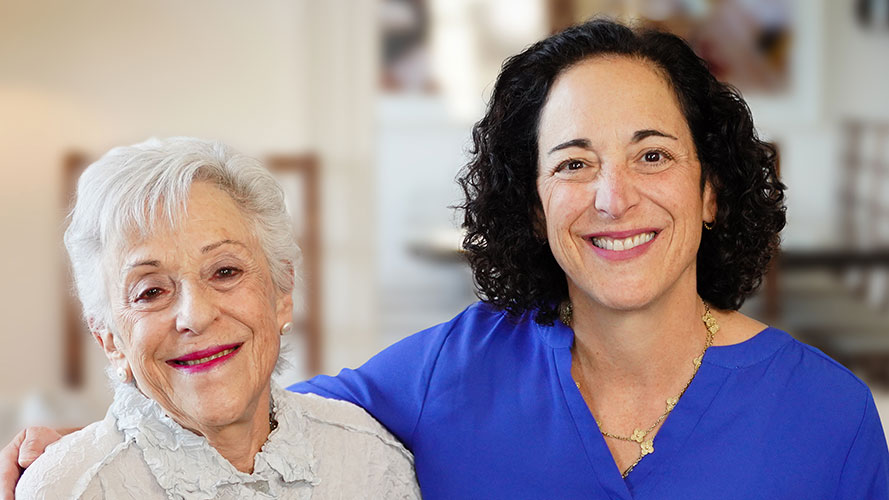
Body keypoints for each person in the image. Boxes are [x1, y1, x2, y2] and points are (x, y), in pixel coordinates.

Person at [5, 18, 889, 499]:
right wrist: (82, 447)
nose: (612, 196)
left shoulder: (828, 417)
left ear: (711, 188)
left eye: (652, 154)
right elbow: (250, 403)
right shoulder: (445, 375)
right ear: (534, 201)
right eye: (572, 163)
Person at [12, 138, 420, 499]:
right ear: (110, 341)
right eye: (150, 291)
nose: (196, 315)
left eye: (225, 272)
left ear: (282, 294)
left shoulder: (372, 459)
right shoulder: (70, 488)